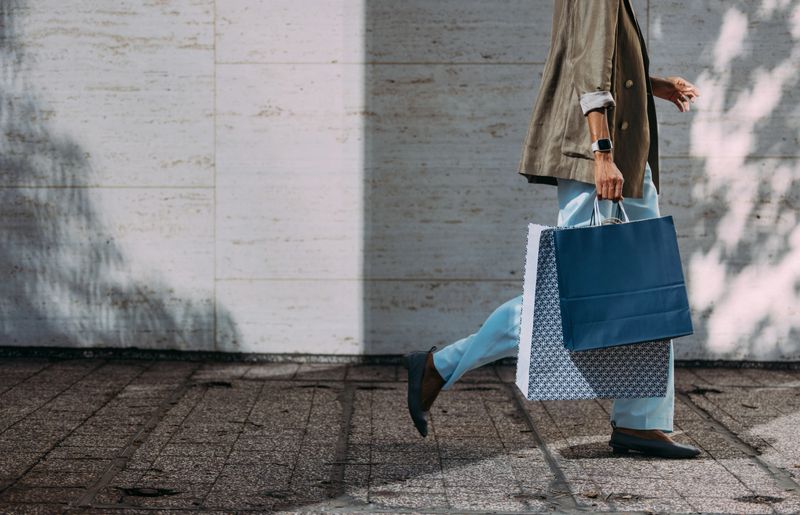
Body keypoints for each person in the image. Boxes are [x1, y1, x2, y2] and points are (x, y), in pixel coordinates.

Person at [405, 0, 702, 459]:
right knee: (569, 295)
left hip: (628, 151)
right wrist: (602, 154)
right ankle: (439, 366)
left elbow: (602, 61)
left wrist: (650, 84)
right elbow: (587, 66)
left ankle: (641, 422)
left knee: (647, 287)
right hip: (600, 156)